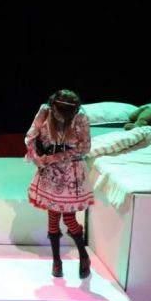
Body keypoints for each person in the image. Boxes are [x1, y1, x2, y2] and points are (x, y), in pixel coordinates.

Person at [25, 90, 93, 279]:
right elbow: (30, 137)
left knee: (69, 219)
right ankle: (56, 261)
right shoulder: (45, 112)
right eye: (59, 112)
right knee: (53, 218)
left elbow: (84, 148)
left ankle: (83, 256)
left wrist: (55, 157)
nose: (62, 118)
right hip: (49, 173)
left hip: (70, 172)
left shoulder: (80, 118)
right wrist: (36, 157)